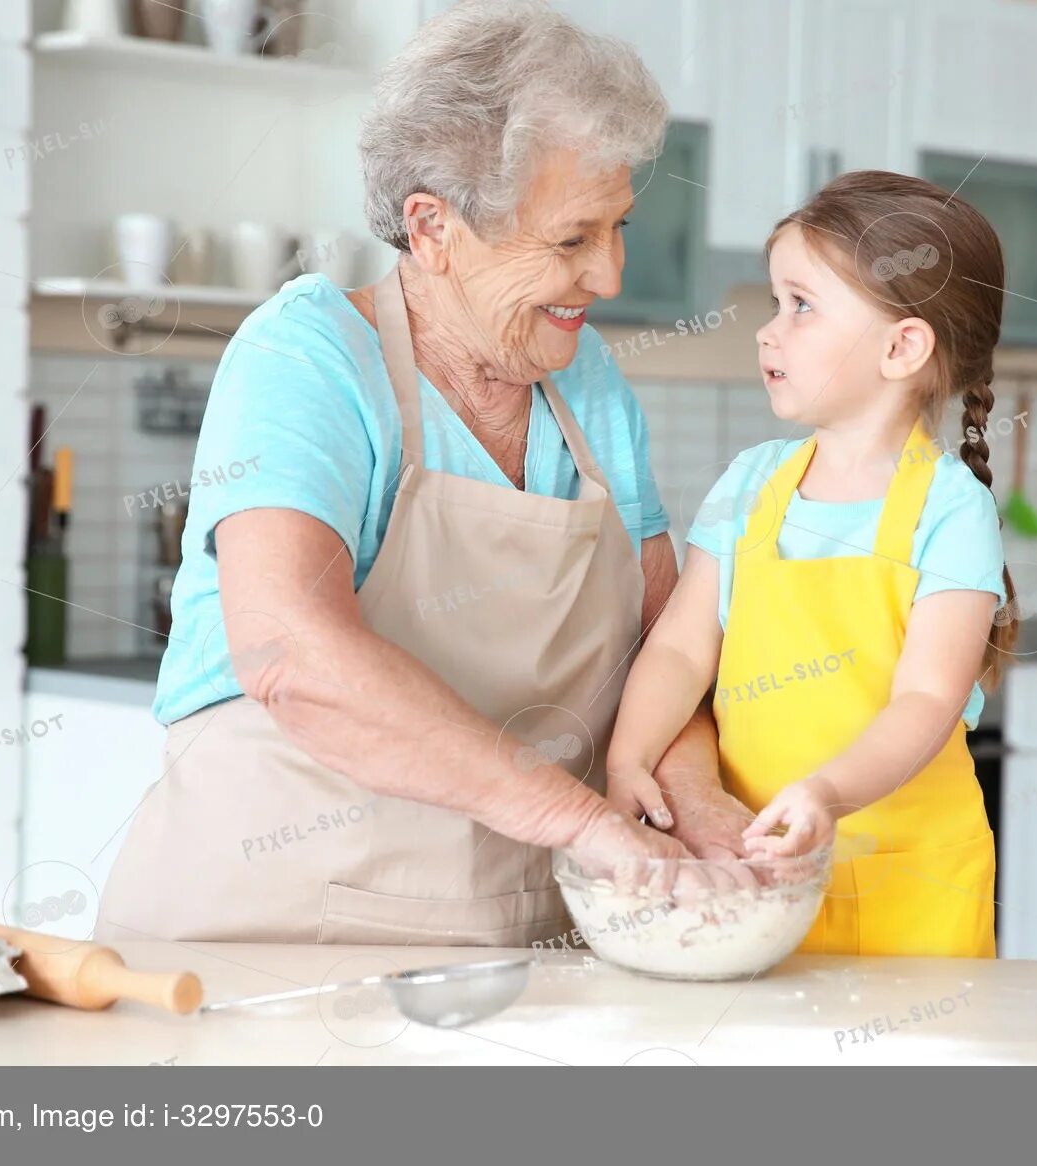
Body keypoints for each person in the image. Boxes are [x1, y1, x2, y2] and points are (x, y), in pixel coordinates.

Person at [95, 0, 759, 948]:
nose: (608, 276)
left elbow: (670, 643)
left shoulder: (589, 382)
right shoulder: (308, 358)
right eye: (571, 239)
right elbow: (292, 656)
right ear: (432, 226)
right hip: (270, 939)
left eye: (618, 228)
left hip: (519, 944)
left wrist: (692, 795)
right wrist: (578, 821)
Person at [605, 171, 1016, 957]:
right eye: (773, 304)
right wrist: (628, 758)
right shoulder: (752, 483)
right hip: (752, 873)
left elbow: (929, 699)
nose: (768, 331)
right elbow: (682, 648)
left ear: (902, 347)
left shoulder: (950, 510)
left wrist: (827, 794)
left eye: (801, 306)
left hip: (907, 886)